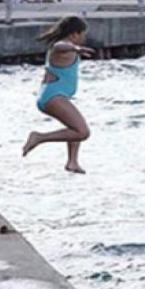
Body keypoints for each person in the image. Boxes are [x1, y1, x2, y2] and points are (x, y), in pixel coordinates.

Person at [21, 16, 95, 174]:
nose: (84, 38)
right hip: (53, 97)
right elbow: (59, 46)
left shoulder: (68, 47)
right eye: (82, 34)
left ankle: (72, 162)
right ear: (75, 34)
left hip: (55, 95)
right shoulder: (64, 47)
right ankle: (39, 137)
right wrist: (76, 49)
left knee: (74, 127)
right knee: (82, 132)